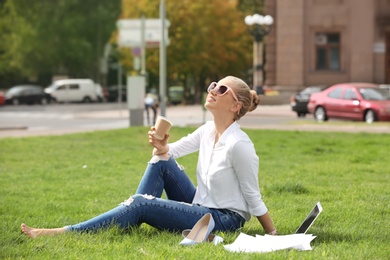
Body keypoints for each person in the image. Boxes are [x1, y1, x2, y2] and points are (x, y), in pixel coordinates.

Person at [21, 75, 277, 239]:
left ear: (235, 107)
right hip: (201, 205)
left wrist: (273, 234)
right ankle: (132, 212)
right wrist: (162, 145)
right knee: (160, 162)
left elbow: (252, 196)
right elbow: (168, 154)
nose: (212, 90)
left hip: (222, 220)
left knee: (141, 203)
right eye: (213, 84)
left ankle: (64, 232)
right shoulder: (208, 130)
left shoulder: (239, 145)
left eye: (222, 89)